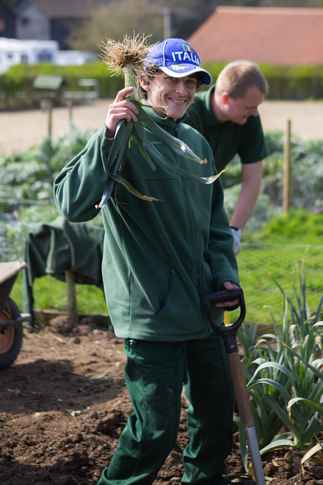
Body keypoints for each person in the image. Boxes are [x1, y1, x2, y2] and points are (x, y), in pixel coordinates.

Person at [53, 38, 253, 485]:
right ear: (144, 81)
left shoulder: (197, 142)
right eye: (171, 80)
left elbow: (216, 227)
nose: (182, 91)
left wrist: (223, 275)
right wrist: (107, 136)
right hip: (153, 311)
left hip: (204, 306)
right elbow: (72, 203)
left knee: (217, 417)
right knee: (155, 431)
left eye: (191, 83)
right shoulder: (123, 135)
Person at [186, 60, 269, 254]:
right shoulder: (188, 115)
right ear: (225, 99)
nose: (255, 113)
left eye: (257, 106)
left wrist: (234, 231)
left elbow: (253, 177)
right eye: (249, 107)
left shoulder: (248, 119)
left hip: (208, 206)